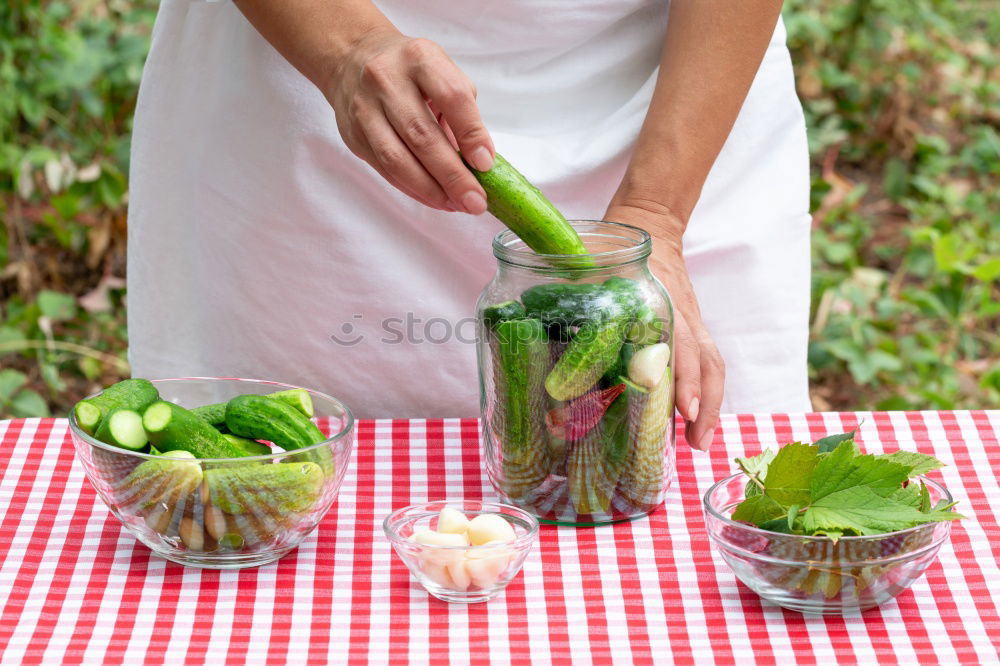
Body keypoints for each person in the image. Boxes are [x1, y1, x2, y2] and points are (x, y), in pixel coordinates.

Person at [127, 0, 811, 450]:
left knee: (693, 487)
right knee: (273, 492)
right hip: (304, 67)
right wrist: (344, 51)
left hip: (684, 101)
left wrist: (656, 214)